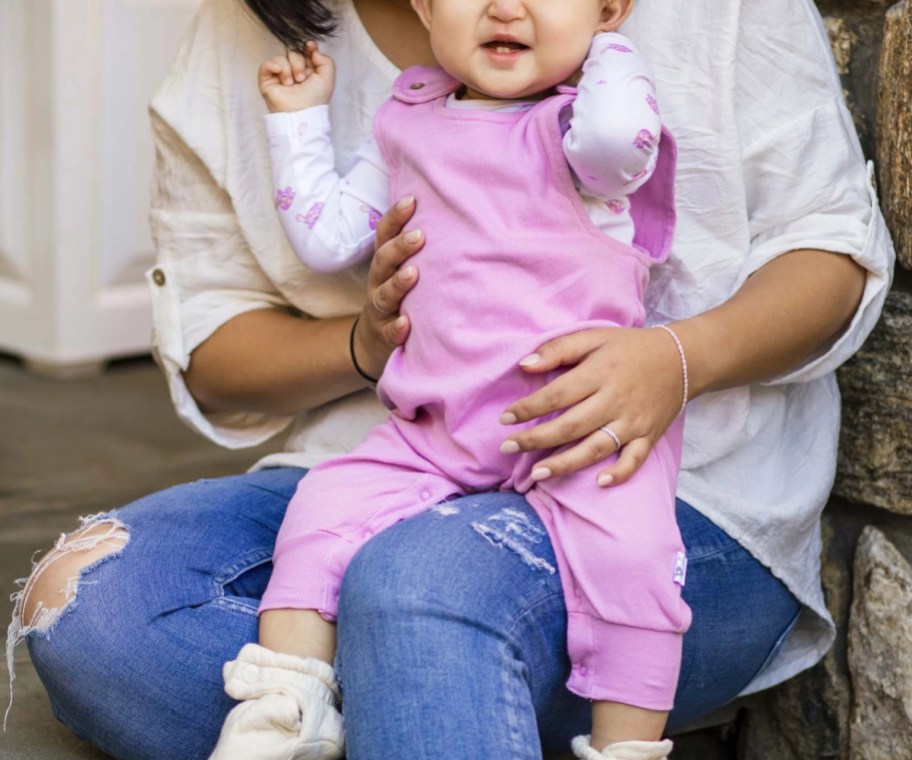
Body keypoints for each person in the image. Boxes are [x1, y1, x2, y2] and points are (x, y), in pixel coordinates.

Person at [6, 0, 893, 758]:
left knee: (417, 582)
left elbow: (833, 252)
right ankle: (437, 705)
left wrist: (678, 358)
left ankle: (427, 690)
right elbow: (213, 342)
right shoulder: (270, 40)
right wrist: (365, 340)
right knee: (94, 611)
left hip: (670, 493)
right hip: (403, 452)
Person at [210, 0, 686, 757]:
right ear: (426, 5)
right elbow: (331, 236)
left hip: (578, 428)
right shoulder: (411, 115)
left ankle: (627, 748)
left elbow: (613, 142)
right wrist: (298, 122)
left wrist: (604, 45)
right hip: (432, 431)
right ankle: (285, 710)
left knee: (635, 566)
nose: (504, 6)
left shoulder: (586, 131)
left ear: (609, 6)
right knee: (319, 512)